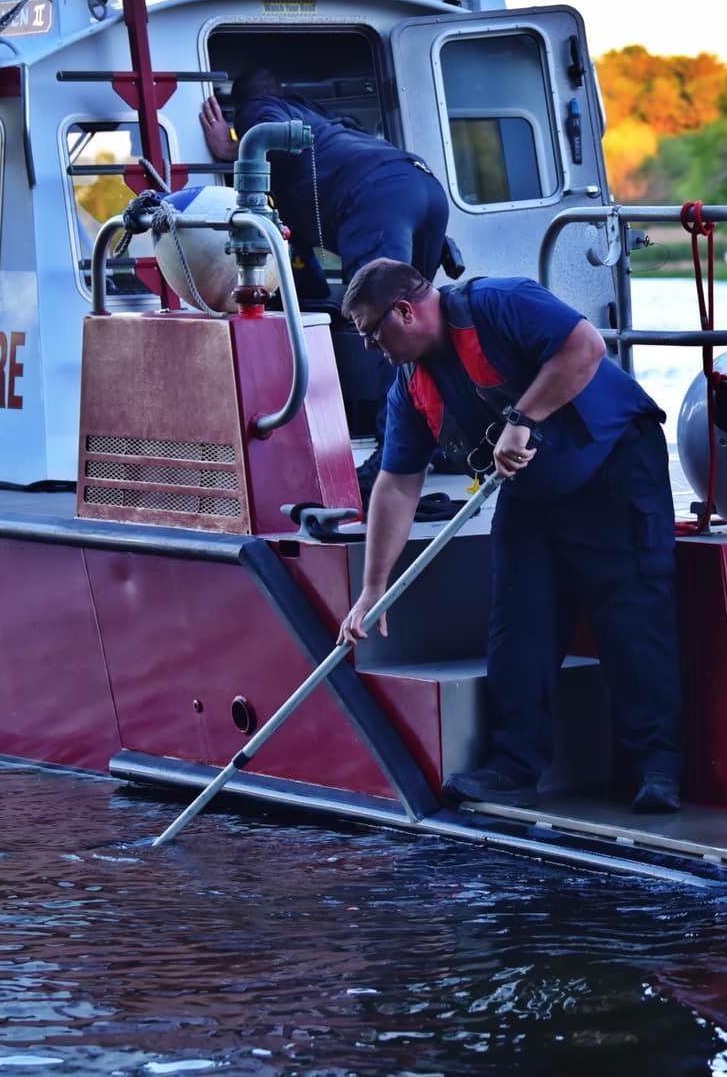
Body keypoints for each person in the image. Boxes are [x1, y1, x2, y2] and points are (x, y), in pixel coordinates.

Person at [334, 259, 684, 814]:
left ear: (404, 311)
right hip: (532, 491)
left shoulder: (503, 301)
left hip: (616, 468)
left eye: (373, 334)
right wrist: (374, 587)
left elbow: (585, 348)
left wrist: (522, 417)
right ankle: (515, 766)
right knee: (518, 624)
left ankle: (657, 769)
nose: (372, 349)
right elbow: (397, 485)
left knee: (633, 616)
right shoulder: (410, 386)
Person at [201, 70, 452, 485]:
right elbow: (302, 265)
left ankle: (395, 455)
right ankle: (445, 437)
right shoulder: (322, 128)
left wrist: (233, 148)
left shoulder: (261, 109)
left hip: (374, 199)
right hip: (420, 186)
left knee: (391, 328)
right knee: (424, 326)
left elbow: (263, 125)